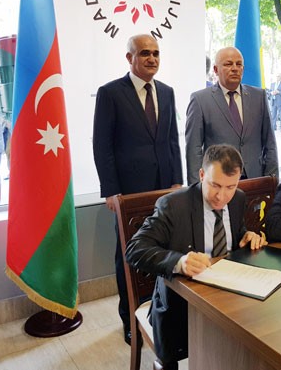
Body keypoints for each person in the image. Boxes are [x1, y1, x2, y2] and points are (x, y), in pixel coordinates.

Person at [127, 144, 266, 370]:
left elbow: (235, 234)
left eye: (230, 187)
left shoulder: (238, 199)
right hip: (181, 308)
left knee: (258, 342)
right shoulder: (173, 205)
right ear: (202, 175)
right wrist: (179, 262)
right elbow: (135, 249)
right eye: (215, 185)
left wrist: (247, 236)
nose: (222, 196)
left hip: (229, 298)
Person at [92, 33, 183, 345]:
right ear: (129, 58)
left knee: (163, 250)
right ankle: (130, 320)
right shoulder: (110, 93)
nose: (152, 58)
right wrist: (111, 191)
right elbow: (102, 145)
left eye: (156, 53)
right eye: (145, 53)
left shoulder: (167, 92)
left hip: (164, 191)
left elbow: (172, 140)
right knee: (128, 256)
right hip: (129, 193)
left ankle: (161, 315)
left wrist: (177, 181)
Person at [185, 46, 278, 184]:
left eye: (239, 64)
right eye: (228, 64)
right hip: (218, 183)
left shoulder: (259, 97)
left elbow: (270, 143)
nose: (235, 68)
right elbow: (194, 149)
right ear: (216, 70)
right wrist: (196, 187)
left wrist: (272, 180)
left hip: (255, 179)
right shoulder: (200, 100)